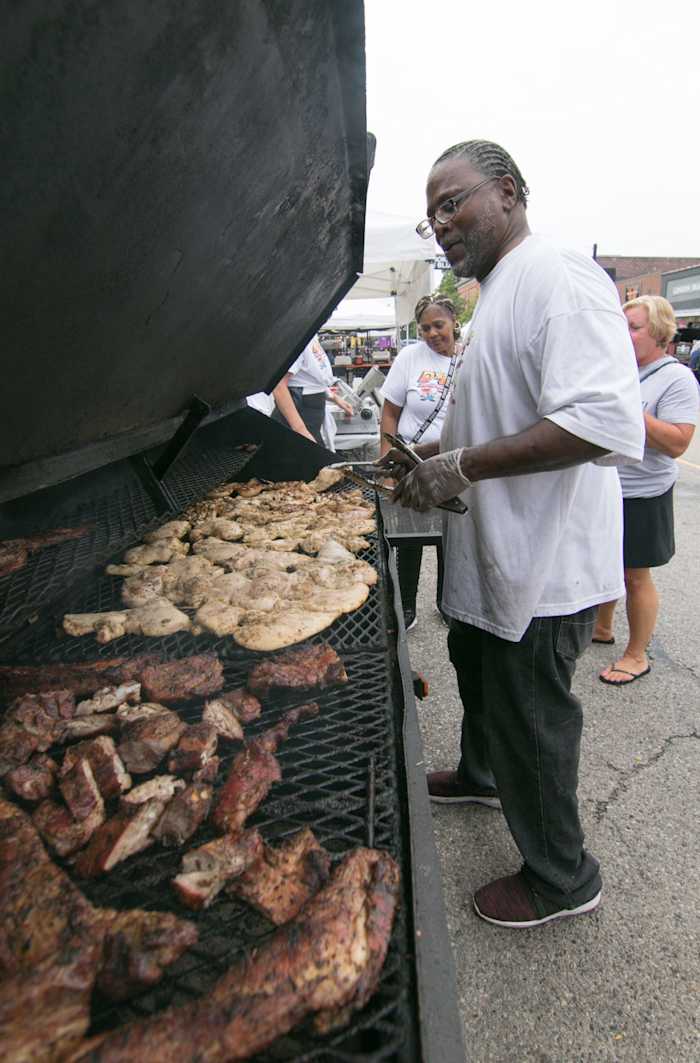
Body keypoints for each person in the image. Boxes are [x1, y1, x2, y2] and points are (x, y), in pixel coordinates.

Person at [381, 139, 645, 928]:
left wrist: (458, 467)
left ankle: (563, 876)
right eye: (431, 214)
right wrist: (429, 453)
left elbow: (599, 423)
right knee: (480, 677)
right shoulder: (488, 295)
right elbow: (497, 413)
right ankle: (479, 771)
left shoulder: (559, 278)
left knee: (532, 715)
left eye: (452, 202)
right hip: (491, 558)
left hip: (545, 564)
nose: (441, 224)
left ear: (508, 191)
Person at [594, 296, 698, 684]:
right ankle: (602, 628)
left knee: (635, 576)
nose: (624, 335)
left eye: (633, 327)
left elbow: (677, 443)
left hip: (643, 491)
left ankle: (637, 655)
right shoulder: (620, 370)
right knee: (606, 563)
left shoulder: (677, 378)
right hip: (607, 486)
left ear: (658, 333)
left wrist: (630, 414)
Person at [379, 294, 461, 631]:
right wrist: (386, 462)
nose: (431, 333)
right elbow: (390, 412)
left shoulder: (470, 355)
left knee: (451, 536)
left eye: (438, 325)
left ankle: (447, 603)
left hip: (456, 463)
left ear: (453, 322)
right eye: (425, 328)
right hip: (411, 461)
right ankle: (407, 607)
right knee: (408, 534)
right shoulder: (411, 357)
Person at [272, 335, 353, 444]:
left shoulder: (311, 337)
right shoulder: (297, 337)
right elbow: (279, 385)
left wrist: (334, 398)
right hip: (300, 409)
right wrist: (300, 429)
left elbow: (313, 378)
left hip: (311, 411)